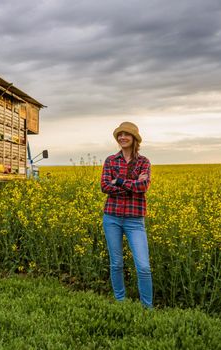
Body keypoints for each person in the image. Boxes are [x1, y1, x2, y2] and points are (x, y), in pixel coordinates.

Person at [100, 121, 153, 309]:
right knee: (116, 264)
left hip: (134, 220)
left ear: (134, 139)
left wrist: (119, 181)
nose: (122, 137)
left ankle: (147, 307)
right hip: (112, 218)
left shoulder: (143, 162)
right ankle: (120, 301)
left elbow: (143, 187)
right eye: (120, 134)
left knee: (144, 267)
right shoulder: (110, 161)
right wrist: (130, 186)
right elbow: (105, 187)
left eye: (126, 134)